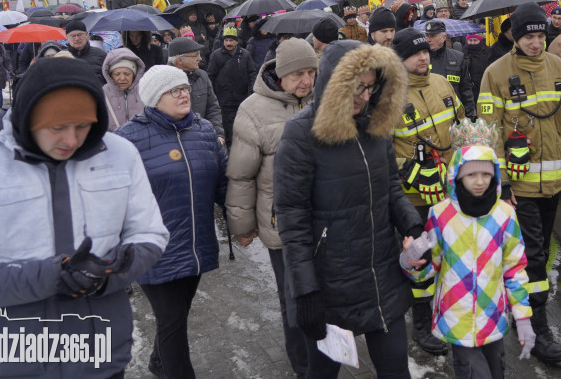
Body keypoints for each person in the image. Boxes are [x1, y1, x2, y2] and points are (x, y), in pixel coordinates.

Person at [0, 58, 168, 378]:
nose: (71, 140)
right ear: (27, 119)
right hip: (8, 361)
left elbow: (150, 232)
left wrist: (111, 270)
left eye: (82, 126)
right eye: (56, 128)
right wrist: (54, 275)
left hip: (100, 356)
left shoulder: (120, 154)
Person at [274, 40, 423, 378]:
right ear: (332, 83)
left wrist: (412, 228)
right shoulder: (300, 134)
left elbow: (392, 190)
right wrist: (306, 291)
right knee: (322, 373)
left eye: (370, 87)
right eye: (355, 87)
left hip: (381, 276)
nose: (363, 96)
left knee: (396, 369)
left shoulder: (376, 126)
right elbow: (292, 219)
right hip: (329, 285)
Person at [478, 2, 561, 365]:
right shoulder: (495, 74)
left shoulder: (559, 67)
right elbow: (488, 134)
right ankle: (537, 330)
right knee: (535, 258)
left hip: (555, 184)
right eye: (528, 36)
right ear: (515, 35)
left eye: (540, 35)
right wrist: (501, 182)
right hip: (519, 189)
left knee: (535, 252)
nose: (535, 42)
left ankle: (516, 308)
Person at [116, 65, 228, 379]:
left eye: (185, 89)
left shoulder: (204, 130)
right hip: (152, 250)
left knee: (175, 319)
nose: (183, 94)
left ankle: (157, 361)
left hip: (195, 244)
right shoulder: (128, 139)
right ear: (153, 98)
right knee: (172, 323)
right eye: (173, 90)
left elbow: (224, 183)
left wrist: (245, 220)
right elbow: (113, 197)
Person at [400, 119, 535, 378]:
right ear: (457, 174)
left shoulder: (505, 215)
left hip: (492, 316)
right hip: (456, 318)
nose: (480, 181)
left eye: (486, 174)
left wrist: (523, 316)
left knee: (496, 371)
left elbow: (515, 268)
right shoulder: (440, 215)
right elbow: (429, 267)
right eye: (471, 174)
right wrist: (411, 260)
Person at [227, 38, 317, 376]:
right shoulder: (253, 109)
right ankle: (303, 363)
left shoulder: (321, 101)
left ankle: (326, 354)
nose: (305, 80)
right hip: (280, 223)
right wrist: (242, 225)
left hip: (321, 219)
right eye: (298, 74)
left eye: (311, 72)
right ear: (280, 74)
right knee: (293, 297)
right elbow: (241, 175)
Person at [390, 28, 464, 356]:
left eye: (424, 52)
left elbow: (461, 125)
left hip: (449, 193)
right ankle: (421, 323)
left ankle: (443, 310)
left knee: (448, 255)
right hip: (415, 198)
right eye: (414, 54)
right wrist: (410, 171)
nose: (422, 57)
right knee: (420, 259)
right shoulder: (389, 95)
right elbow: (381, 149)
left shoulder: (442, 83)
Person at [169, 36, 226, 146]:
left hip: (204, 140)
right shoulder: (164, 81)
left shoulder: (202, 76)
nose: (200, 59)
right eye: (195, 55)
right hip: (176, 145)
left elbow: (213, 108)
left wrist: (218, 134)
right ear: (180, 60)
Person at [207, 25, 258, 144]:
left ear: (236, 41)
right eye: (226, 40)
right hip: (224, 100)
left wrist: (252, 90)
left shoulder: (245, 55)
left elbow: (252, 74)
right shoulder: (216, 55)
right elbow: (210, 75)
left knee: (242, 127)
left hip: (242, 98)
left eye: (231, 40)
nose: (228, 43)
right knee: (227, 128)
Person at [424, 19, 476, 119]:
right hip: (431, 117)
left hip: (455, 115)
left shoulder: (458, 58)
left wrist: (469, 118)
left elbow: (466, 89)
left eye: (433, 36)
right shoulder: (421, 59)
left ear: (443, 37)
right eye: (427, 36)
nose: (428, 39)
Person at [102, 47, 146, 131]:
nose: (122, 78)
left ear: (135, 74)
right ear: (110, 75)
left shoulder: (145, 91)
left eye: (127, 74)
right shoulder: (101, 94)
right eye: (117, 74)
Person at [64, 19, 107, 83]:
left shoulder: (100, 55)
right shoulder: (62, 57)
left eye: (80, 35)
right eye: (72, 36)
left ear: (86, 35)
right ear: (67, 38)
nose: (77, 39)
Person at [464, 33, 491, 111]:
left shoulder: (488, 53)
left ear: (480, 41)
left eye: (475, 40)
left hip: (484, 89)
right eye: (470, 40)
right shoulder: (463, 53)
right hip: (469, 91)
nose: (472, 43)